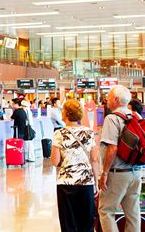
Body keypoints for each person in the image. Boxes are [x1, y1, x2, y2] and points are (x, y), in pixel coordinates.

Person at [51, 99, 99, 232]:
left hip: (65, 183)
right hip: (86, 182)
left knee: (68, 224)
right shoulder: (89, 132)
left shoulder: (59, 133)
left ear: (65, 114)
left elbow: (55, 161)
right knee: (86, 224)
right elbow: (94, 159)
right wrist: (96, 181)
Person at [98, 85, 141, 232]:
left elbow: (112, 148)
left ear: (116, 99)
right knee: (133, 214)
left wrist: (104, 173)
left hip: (118, 173)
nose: (107, 100)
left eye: (108, 97)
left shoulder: (112, 118)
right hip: (135, 173)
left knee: (106, 211)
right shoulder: (135, 116)